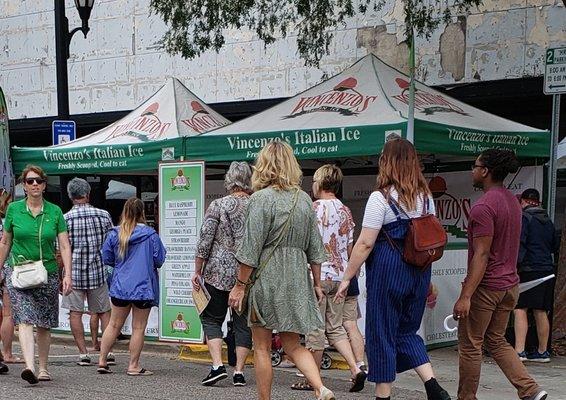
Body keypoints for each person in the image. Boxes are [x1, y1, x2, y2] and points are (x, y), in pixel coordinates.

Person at [336, 137, 450, 400]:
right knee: (406, 331)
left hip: (389, 270)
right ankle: (433, 385)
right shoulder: (426, 198)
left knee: (381, 334)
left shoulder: (380, 198)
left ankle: (383, 396)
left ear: (385, 163)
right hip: (419, 271)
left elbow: (365, 243)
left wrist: (347, 277)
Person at [229, 141, 335, 400]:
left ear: (263, 165)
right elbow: (315, 248)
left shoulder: (260, 200)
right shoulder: (303, 201)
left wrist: (240, 285)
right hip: (297, 278)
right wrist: (317, 284)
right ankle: (321, 388)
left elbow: (250, 248)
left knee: (262, 347)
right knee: (293, 344)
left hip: (266, 278)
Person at [453, 150, 547, 400]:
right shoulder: (512, 202)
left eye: (475, 166)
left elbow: (481, 255)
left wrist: (465, 295)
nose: (472, 170)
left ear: (485, 171)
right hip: (509, 285)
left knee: (471, 345)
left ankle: (466, 397)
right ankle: (530, 390)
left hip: (487, 286)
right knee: (496, 340)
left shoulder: (483, 207)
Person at [293, 164, 366, 392]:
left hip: (317, 276)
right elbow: (350, 247)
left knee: (314, 330)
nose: (312, 185)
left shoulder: (312, 208)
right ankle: (355, 368)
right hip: (339, 276)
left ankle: (314, 381)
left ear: (321, 183)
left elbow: (304, 243)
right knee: (335, 329)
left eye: (314, 181)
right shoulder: (345, 210)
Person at [0, 165, 72, 384]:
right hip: (19, 272)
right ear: (24, 185)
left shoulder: (55, 211)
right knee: (24, 319)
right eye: (30, 181)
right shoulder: (13, 210)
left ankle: (43, 368)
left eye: (38, 181)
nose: (34, 185)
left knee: (44, 322)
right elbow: (6, 241)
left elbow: (64, 245)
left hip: (47, 272)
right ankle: (29, 367)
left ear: (44, 184)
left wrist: (67, 273)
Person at [192, 161, 254, 387]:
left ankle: (218, 366)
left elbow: (204, 240)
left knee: (210, 318)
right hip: (247, 275)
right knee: (243, 323)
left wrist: (197, 270)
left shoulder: (217, 205)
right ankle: (239, 372)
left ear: (229, 179)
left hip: (217, 272)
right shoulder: (257, 204)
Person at [98, 197, 165, 376]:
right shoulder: (151, 235)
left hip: (120, 286)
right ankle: (133, 365)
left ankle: (102, 360)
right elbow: (159, 260)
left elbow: (107, 258)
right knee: (138, 327)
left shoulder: (114, 233)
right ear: (142, 212)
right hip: (143, 287)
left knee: (113, 325)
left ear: (124, 212)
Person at [61, 178, 114, 366]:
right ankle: (107, 352)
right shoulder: (103, 215)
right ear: (88, 193)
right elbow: (111, 244)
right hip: (98, 271)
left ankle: (83, 354)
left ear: (70, 196)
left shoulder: (64, 219)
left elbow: (59, 248)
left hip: (72, 273)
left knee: (75, 313)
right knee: (104, 312)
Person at [514, 188, 559, 363]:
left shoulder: (525, 218)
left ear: (524, 201)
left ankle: (519, 351)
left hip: (529, 269)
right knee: (541, 310)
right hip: (547, 269)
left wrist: (516, 265)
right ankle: (542, 352)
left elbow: (520, 244)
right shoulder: (548, 221)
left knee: (520, 308)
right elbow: (555, 246)